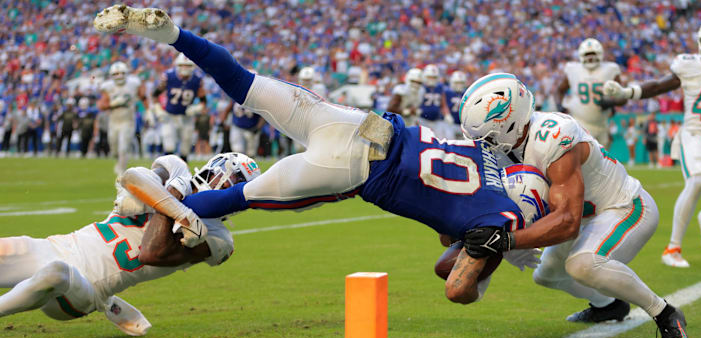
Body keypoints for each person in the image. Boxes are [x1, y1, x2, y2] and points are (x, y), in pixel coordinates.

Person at [93, 5, 541, 305]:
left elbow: (451, 228)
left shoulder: (486, 153)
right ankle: (155, 193)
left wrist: (465, 233)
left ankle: (173, 34)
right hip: (352, 169)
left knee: (245, 83)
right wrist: (495, 249)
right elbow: (457, 286)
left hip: (361, 123)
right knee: (239, 198)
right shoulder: (498, 217)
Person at [459, 72, 689, 338]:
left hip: (623, 206)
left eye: (487, 136)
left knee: (582, 265)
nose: (485, 144)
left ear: (507, 122)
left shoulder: (553, 136)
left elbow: (566, 221)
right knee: (546, 276)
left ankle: (665, 314)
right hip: (584, 217)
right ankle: (610, 306)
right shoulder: (510, 142)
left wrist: (510, 240)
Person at [0, 154, 241, 335]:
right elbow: (132, 178)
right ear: (214, 166)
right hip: (61, 245)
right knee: (8, 248)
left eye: (236, 184)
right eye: (229, 174)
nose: (226, 183)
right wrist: (177, 206)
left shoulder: (218, 238)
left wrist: (166, 202)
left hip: (86, 288)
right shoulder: (177, 171)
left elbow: (152, 253)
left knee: (56, 273)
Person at [603, 15, 701, 267]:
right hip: (694, 135)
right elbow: (658, 86)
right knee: (698, 179)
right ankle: (672, 248)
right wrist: (627, 93)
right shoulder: (689, 65)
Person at [556, 38, 623, 148]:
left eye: (593, 54)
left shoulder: (610, 69)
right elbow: (559, 90)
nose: (591, 57)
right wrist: (560, 106)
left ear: (600, 54)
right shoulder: (573, 69)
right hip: (580, 122)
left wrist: (610, 102)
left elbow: (623, 96)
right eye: (587, 54)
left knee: (602, 162)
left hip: (602, 124)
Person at [151, 54, 207, 161]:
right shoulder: (169, 76)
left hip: (186, 117)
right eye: (182, 65)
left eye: (187, 66)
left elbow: (203, 101)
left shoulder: (197, 80)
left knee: (185, 148)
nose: (184, 68)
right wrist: (158, 109)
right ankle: (167, 172)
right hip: (170, 116)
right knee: (169, 146)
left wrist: (197, 108)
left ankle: (182, 174)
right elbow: (155, 95)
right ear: (177, 65)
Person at [98, 61, 148, 175]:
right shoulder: (108, 86)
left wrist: (148, 111)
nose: (119, 76)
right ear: (111, 75)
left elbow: (143, 97)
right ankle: (119, 163)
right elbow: (101, 105)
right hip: (114, 121)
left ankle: (121, 171)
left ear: (126, 73)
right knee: (114, 148)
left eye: (121, 73)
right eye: (116, 74)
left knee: (123, 147)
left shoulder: (133, 83)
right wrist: (113, 104)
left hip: (128, 120)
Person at [418, 64, 448, 138]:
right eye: (429, 77)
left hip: (436, 120)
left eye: (434, 77)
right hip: (422, 119)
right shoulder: (421, 87)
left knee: (439, 141)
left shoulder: (439, 87)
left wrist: (447, 114)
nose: (432, 79)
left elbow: (443, 104)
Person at [443, 70, 468, 140]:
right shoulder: (447, 92)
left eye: (461, 83)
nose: (459, 85)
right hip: (450, 123)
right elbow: (443, 104)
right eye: (457, 83)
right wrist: (446, 114)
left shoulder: (466, 93)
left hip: (462, 125)